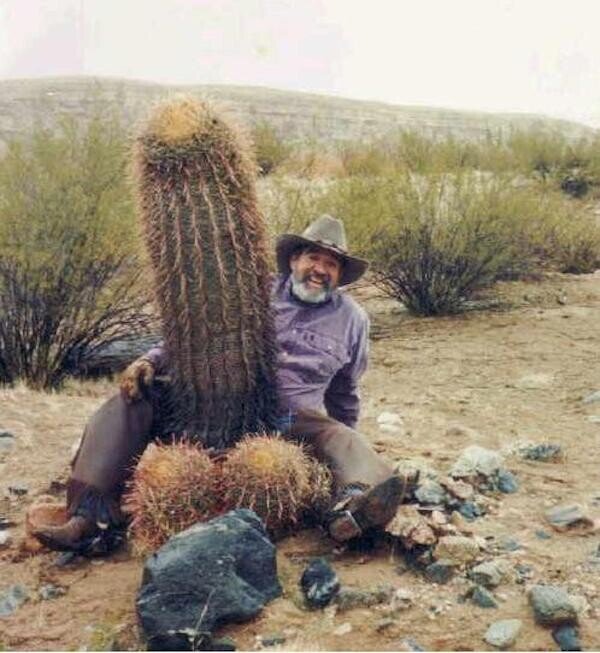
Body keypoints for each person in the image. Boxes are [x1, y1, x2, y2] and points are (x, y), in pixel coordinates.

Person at [34, 215, 413, 552]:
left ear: (340, 275)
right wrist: (150, 360)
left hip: (289, 419)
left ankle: (354, 507)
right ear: (293, 260)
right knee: (131, 400)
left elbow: (346, 391)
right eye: (313, 258)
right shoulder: (255, 292)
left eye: (331, 264)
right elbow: (197, 332)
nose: (320, 269)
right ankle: (89, 518)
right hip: (218, 402)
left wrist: (338, 454)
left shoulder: (353, 320)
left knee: (342, 437)